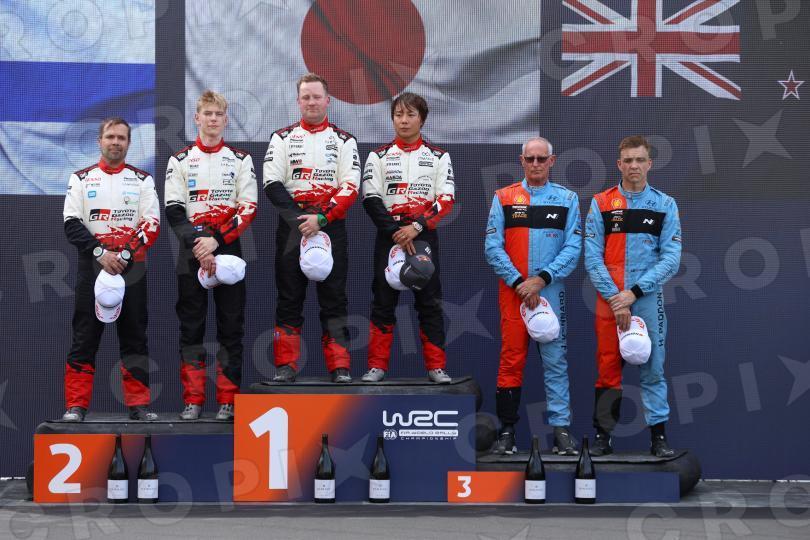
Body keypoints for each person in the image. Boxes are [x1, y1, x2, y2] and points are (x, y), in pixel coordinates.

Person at [584, 135, 682, 457]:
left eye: (640, 160)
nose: (634, 166)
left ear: (650, 164)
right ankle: (603, 437)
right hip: (609, 298)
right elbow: (592, 257)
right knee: (607, 367)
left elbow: (671, 259)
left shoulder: (665, 205)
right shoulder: (601, 202)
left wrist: (634, 293)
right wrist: (616, 298)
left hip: (646, 297)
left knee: (653, 368)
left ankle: (658, 438)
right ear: (619, 164)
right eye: (628, 160)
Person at [485, 137, 582, 454]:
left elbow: (573, 247)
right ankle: (507, 432)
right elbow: (492, 247)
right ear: (522, 161)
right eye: (531, 159)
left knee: (555, 361)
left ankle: (561, 431)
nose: (536, 164)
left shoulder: (567, 199)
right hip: (513, 292)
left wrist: (541, 280)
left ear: (552, 161)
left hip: (549, 291)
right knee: (511, 359)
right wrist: (518, 282)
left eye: (542, 159)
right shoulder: (503, 197)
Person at [165, 90, 257, 421]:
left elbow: (248, 207)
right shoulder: (179, 160)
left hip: (228, 247)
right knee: (191, 327)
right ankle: (193, 400)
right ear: (197, 118)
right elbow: (174, 210)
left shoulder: (241, 159)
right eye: (208, 113)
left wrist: (216, 241)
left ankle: (228, 401)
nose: (213, 119)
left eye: (218, 114)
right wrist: (199, 244)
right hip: (192, 251)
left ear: (226, 120)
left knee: (230, 327)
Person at [263, 73, 361, 383]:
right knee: (289, 297)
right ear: (298, 101)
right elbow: (272, 183)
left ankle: (340, 367)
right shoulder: (281, 138)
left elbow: (350, 186)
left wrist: (322, 219)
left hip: (330, 226)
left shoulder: (344, 140)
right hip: (293, 228)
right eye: (306, 97)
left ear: (328, 101)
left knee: (334, 298)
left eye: (317, 97)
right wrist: (301, 221)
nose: (311, 102)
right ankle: (285, 366)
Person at [62, 118, 160, 422]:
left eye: (121, 138)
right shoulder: (81, 178)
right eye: (110, 137)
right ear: (99, 141)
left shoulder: (142, 180)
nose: (115, 142)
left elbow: (151, 223)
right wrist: (101, 253)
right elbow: (71, 223)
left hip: (132, 268)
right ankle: (76, 406)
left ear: (129, 143)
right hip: (93, 266)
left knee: (135, 336)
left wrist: (125, 254)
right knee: (84, 336)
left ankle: (138, 406)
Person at [361, 92, 455, 384]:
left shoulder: (439, 156)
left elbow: (446, 199)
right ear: (392, 119)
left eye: (410, 114)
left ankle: (436, 367)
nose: (404, 120)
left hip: (423, 235)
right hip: (389, 236)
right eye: (398, 114)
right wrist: (395, 232)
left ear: (422, 119)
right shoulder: (378, 156)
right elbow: (371, 198)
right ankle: (376, 366)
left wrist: (416, 227)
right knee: (382, 302)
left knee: (429, 302)